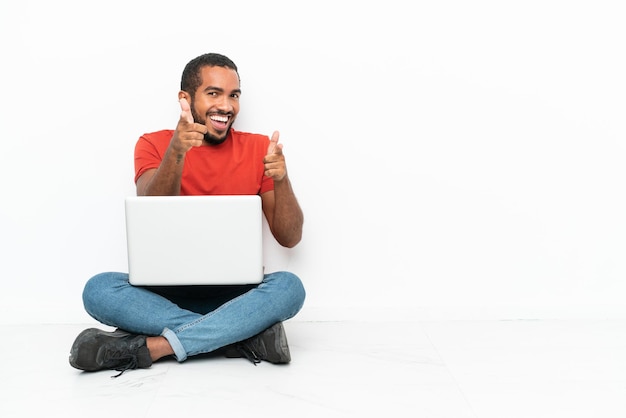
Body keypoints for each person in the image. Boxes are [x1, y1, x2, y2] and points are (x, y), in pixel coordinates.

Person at [69, 53, 306, 376]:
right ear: (186, 98)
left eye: (234, 95)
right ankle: (239, 338)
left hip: (235, 297)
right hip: (161, 298)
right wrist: (177, 152)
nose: (226, 105)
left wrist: (282, 179)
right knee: (97, 290)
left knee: (289, 287)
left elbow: (290, 238)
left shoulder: (259, 148)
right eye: (213, 93)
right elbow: (151, 207)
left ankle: (154, 348)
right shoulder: (153, 144)